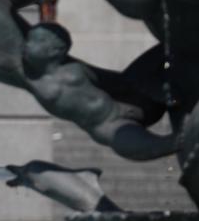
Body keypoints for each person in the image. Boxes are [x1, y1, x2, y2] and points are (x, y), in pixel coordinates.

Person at [22, 23, 177, 160]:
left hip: (131, 103)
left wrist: (133, 89)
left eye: (37, 40)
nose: (26, 44)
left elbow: (111, 81)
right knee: (122, 138)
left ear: (55, 51)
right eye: (28, 39)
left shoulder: (76, 69)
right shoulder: (29, 77)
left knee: (165, 51)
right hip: (105, 123)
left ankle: (179, 44)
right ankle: (169, 143)